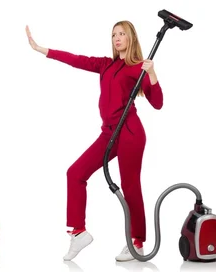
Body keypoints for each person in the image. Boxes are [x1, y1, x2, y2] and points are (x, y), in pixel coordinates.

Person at [25, 21, 163, 262]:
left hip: (130, 133)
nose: (117, 38)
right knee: (75, 173)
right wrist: (43, 50)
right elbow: (76, 59)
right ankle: (78, 232)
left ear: (131, 38)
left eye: (121, 34)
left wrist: (151, 74)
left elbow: (158, 102)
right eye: (113, 35)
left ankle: (137, 243)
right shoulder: (105, 65)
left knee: (130, 186)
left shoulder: (138, 68)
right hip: (109, 133)